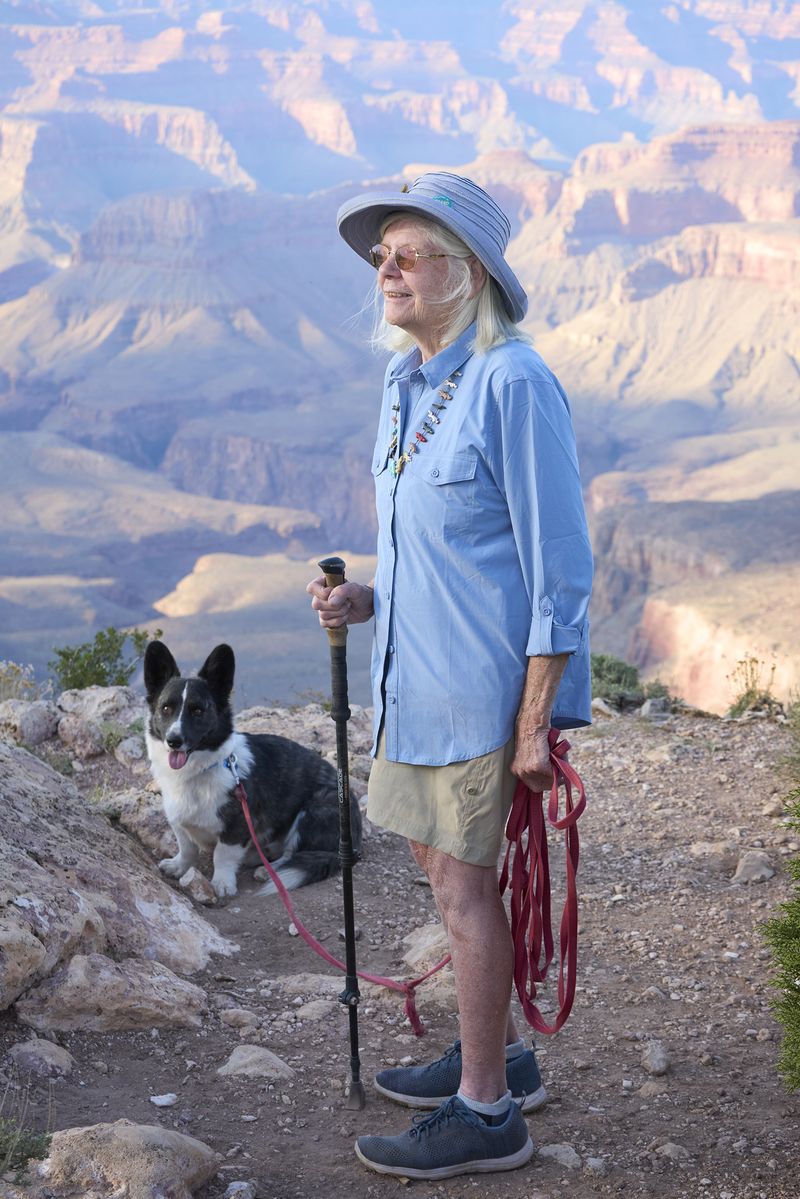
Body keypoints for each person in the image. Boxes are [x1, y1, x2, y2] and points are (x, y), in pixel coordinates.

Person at [307, 171, 593, 1180]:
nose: (384, 267)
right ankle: (498, 1055)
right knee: (444, 875)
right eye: (379, 252)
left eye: (407, 250)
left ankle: (486, 1113)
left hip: (476, 693)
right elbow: (434, 546)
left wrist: (531, 725)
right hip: (408, 684)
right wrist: (364, 601)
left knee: (467, 894)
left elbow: (557, 570)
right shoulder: (403, 383)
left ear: (465, 274)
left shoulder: (513, 383)